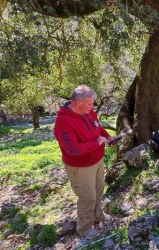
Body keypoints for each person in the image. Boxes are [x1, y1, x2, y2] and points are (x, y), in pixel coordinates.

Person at [54, 85, 115, 239]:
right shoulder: (63, 122)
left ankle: (98, 215)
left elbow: (98, 127)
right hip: (80, 167)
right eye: (90, 103)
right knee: (88, 197)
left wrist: (107, 137)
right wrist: (97, 143)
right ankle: (84, 229)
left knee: (99, 190)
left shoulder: (88, 111)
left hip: (97, 160)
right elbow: (72, 149)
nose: (92, 107)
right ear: (78, 102)